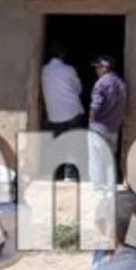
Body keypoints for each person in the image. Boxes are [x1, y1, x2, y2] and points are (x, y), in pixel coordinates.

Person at [41, 43, 84, 180]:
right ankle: (69, 175)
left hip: (54, 114)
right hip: (72, 112)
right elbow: (78, 89)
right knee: (72, 144)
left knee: (57, 145)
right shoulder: (68, 69)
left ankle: (55, 174)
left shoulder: (44, 70)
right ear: (62, 55)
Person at [88, 55, 128, 189]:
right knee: (110, 159)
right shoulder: (121, 83)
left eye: (98, 67)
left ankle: (98, 187)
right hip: (114, 128)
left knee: (96, 158)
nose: (96, 70)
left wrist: (91, 119)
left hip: (99, 127)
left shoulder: (101, 83)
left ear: (105, 68)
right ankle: (111, 186)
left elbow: (96, 105)